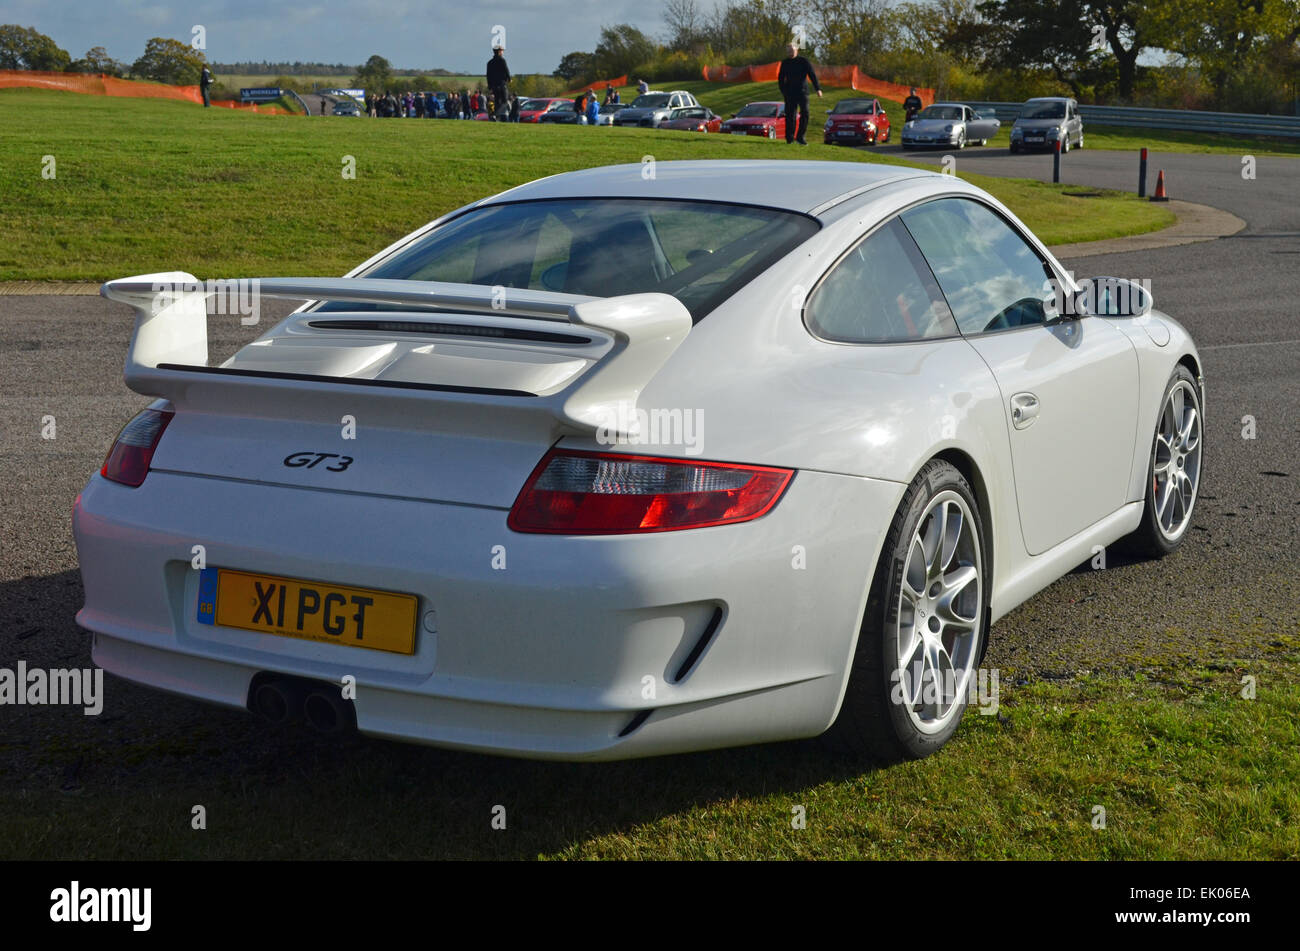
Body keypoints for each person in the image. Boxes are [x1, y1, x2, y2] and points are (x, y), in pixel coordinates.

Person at [777, 42, 821, 145]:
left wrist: (818, 89)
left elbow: (812, 75)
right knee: (790, 116)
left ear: (796, 50)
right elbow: (780, 79)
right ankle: (790, 138)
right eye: (787, 50)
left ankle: (800, 137)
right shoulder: (785, 63)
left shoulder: (803, 61)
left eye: (791, 50)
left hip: (802, 92)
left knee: (805, 113)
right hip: (789, 93)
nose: (789, 52)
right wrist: (784, 91)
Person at [487, 45, 511, 121]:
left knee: (497, 101)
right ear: (499, 51)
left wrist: (490, 86)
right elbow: (506, 70)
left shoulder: (489, 63)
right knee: (505, 100)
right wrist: (509, 79)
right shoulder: (502, 60)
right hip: (502, 85)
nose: (503, 52)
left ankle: (496, 116)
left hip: (494, 86)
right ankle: (503, 115)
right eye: (502, 50)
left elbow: (488, 76)